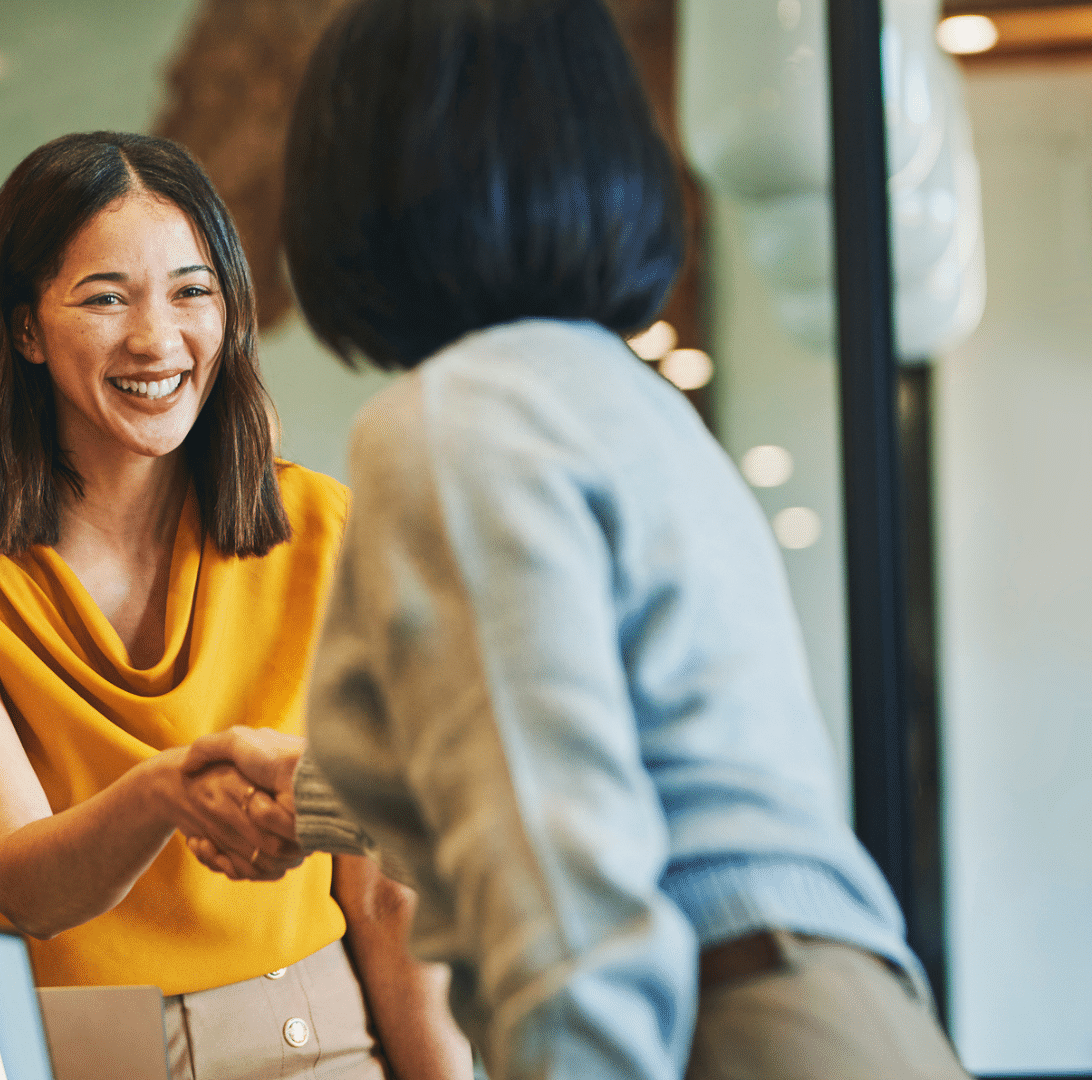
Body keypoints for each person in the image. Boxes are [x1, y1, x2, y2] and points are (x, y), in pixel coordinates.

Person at [181, 1, 976, 1078]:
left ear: (366, 174)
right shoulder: (623, 399)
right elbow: (623, 757)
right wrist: (318, 795)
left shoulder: (459, 424)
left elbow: (567, 904)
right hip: (832, 1012)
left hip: (717, 1027)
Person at [0, 131, 470, 1080]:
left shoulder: (325, 527)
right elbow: (26, 884)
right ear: (24, 330)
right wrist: (167, 791)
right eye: (106, 298)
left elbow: (390, 892)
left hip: (312, 1039)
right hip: (49, 1051)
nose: (157, 337)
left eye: (192, 291)